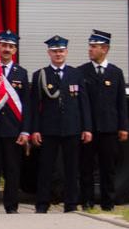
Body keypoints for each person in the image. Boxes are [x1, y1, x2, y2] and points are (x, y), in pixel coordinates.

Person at [27, 35, 91, 214]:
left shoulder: (76, 74)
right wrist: (35, 130)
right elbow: (34, 106)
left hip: (72, 128)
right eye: (55, 51)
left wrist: (87, 128)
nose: (58, 54)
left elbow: (83, 103)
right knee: (46, 168)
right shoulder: (40, 75)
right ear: (49, 53)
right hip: (49, 129)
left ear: (67, 52)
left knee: (71, 169)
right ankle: (42, 204)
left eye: (61, 51)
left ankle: (71, 204)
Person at [78, 30, 129, 211]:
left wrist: (123, 127)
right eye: (90, 46)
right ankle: (87, 201)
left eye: (94, 47)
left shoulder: (115, 73)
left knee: (108, 167)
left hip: (109, 128)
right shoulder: (82, 72)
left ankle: (108, 202)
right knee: (86, 167)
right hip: (89, 129)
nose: (90, 50)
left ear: (105, 49)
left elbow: (121, 103)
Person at [0, 32, 29, 214]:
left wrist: (25, 131)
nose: (6, 49)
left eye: (10, 46)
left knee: (12, 171)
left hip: (13, 131)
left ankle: (11, 207)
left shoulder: (21, 73)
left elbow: (27, 105)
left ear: (15, 49)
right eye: (3, 45)